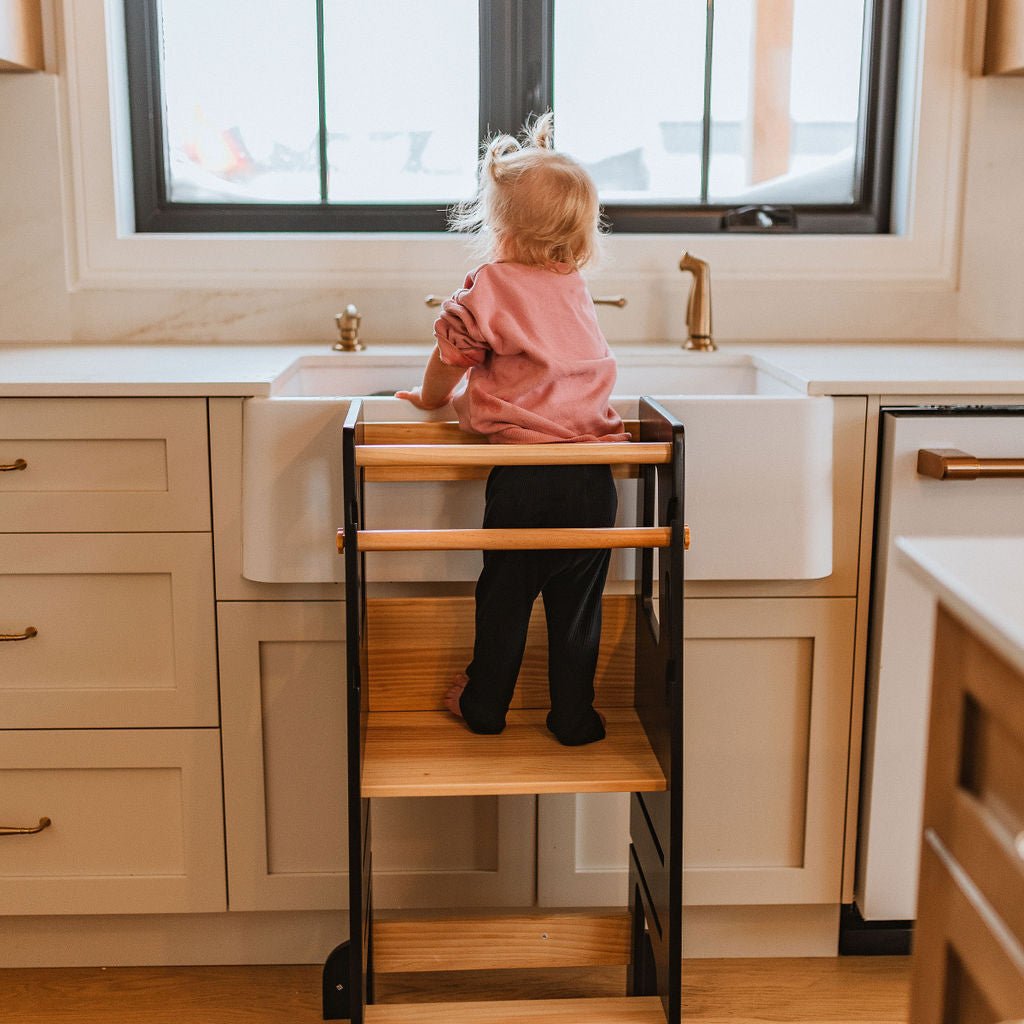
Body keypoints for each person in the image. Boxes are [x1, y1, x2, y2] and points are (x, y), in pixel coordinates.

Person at [395, 113, 627, 746]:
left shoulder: (491, 284)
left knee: (505, 597)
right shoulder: (573, 287)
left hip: (527, 479)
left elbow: (453, 355)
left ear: (499, 227)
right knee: (577, 609)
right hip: (592, 478)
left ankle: (486, 704)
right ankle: (574, 718)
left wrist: (429, 399)